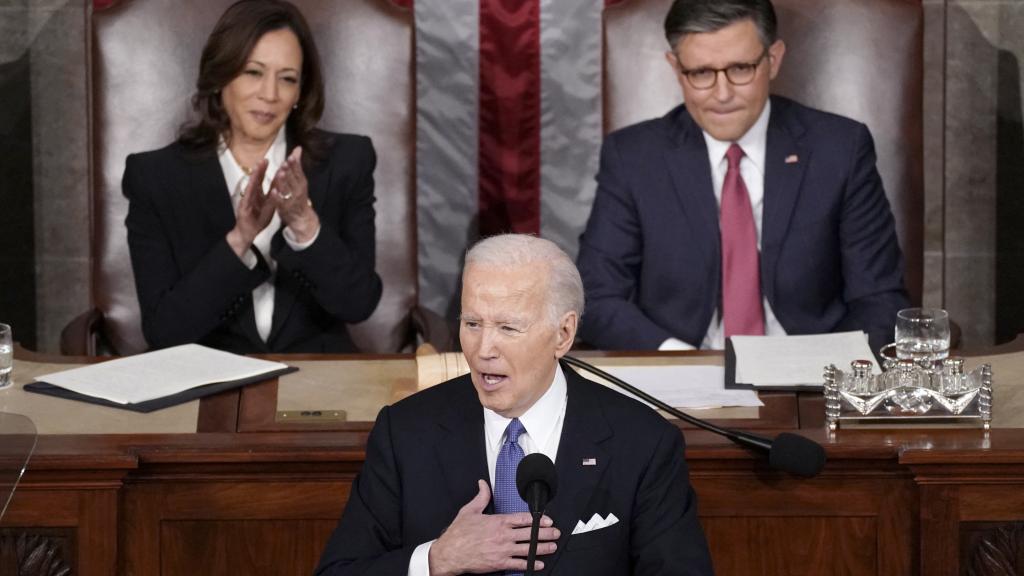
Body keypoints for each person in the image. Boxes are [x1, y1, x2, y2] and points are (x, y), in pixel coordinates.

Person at [315, 234, 712, 575]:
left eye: (508, 328)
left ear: (564, 333)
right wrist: (435, 560)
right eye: (472, 324)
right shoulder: (405, 433)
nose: (484, 349)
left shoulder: (642, 443)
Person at [577, 0, 910, 354]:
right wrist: (681, 360)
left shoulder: (840, 149)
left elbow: (879, 299)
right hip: (681, 372)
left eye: (740, 68)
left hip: (810, 376)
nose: (722, 94)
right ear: (676, 69)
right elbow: (596, 298)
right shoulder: (632, 157)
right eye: (701, 73)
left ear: (773, 59)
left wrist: (818, 368)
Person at [123, 0, 382, 354]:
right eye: (253, 72)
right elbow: (164, 330)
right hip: (207, 381)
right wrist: (241, 238)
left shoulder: (347, 162)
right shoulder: (155, 177)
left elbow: (359, 304)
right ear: (220, 78)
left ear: (299, 93)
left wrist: (305, 226)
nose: (270, 94)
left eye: (287, 78)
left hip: (320, 379)